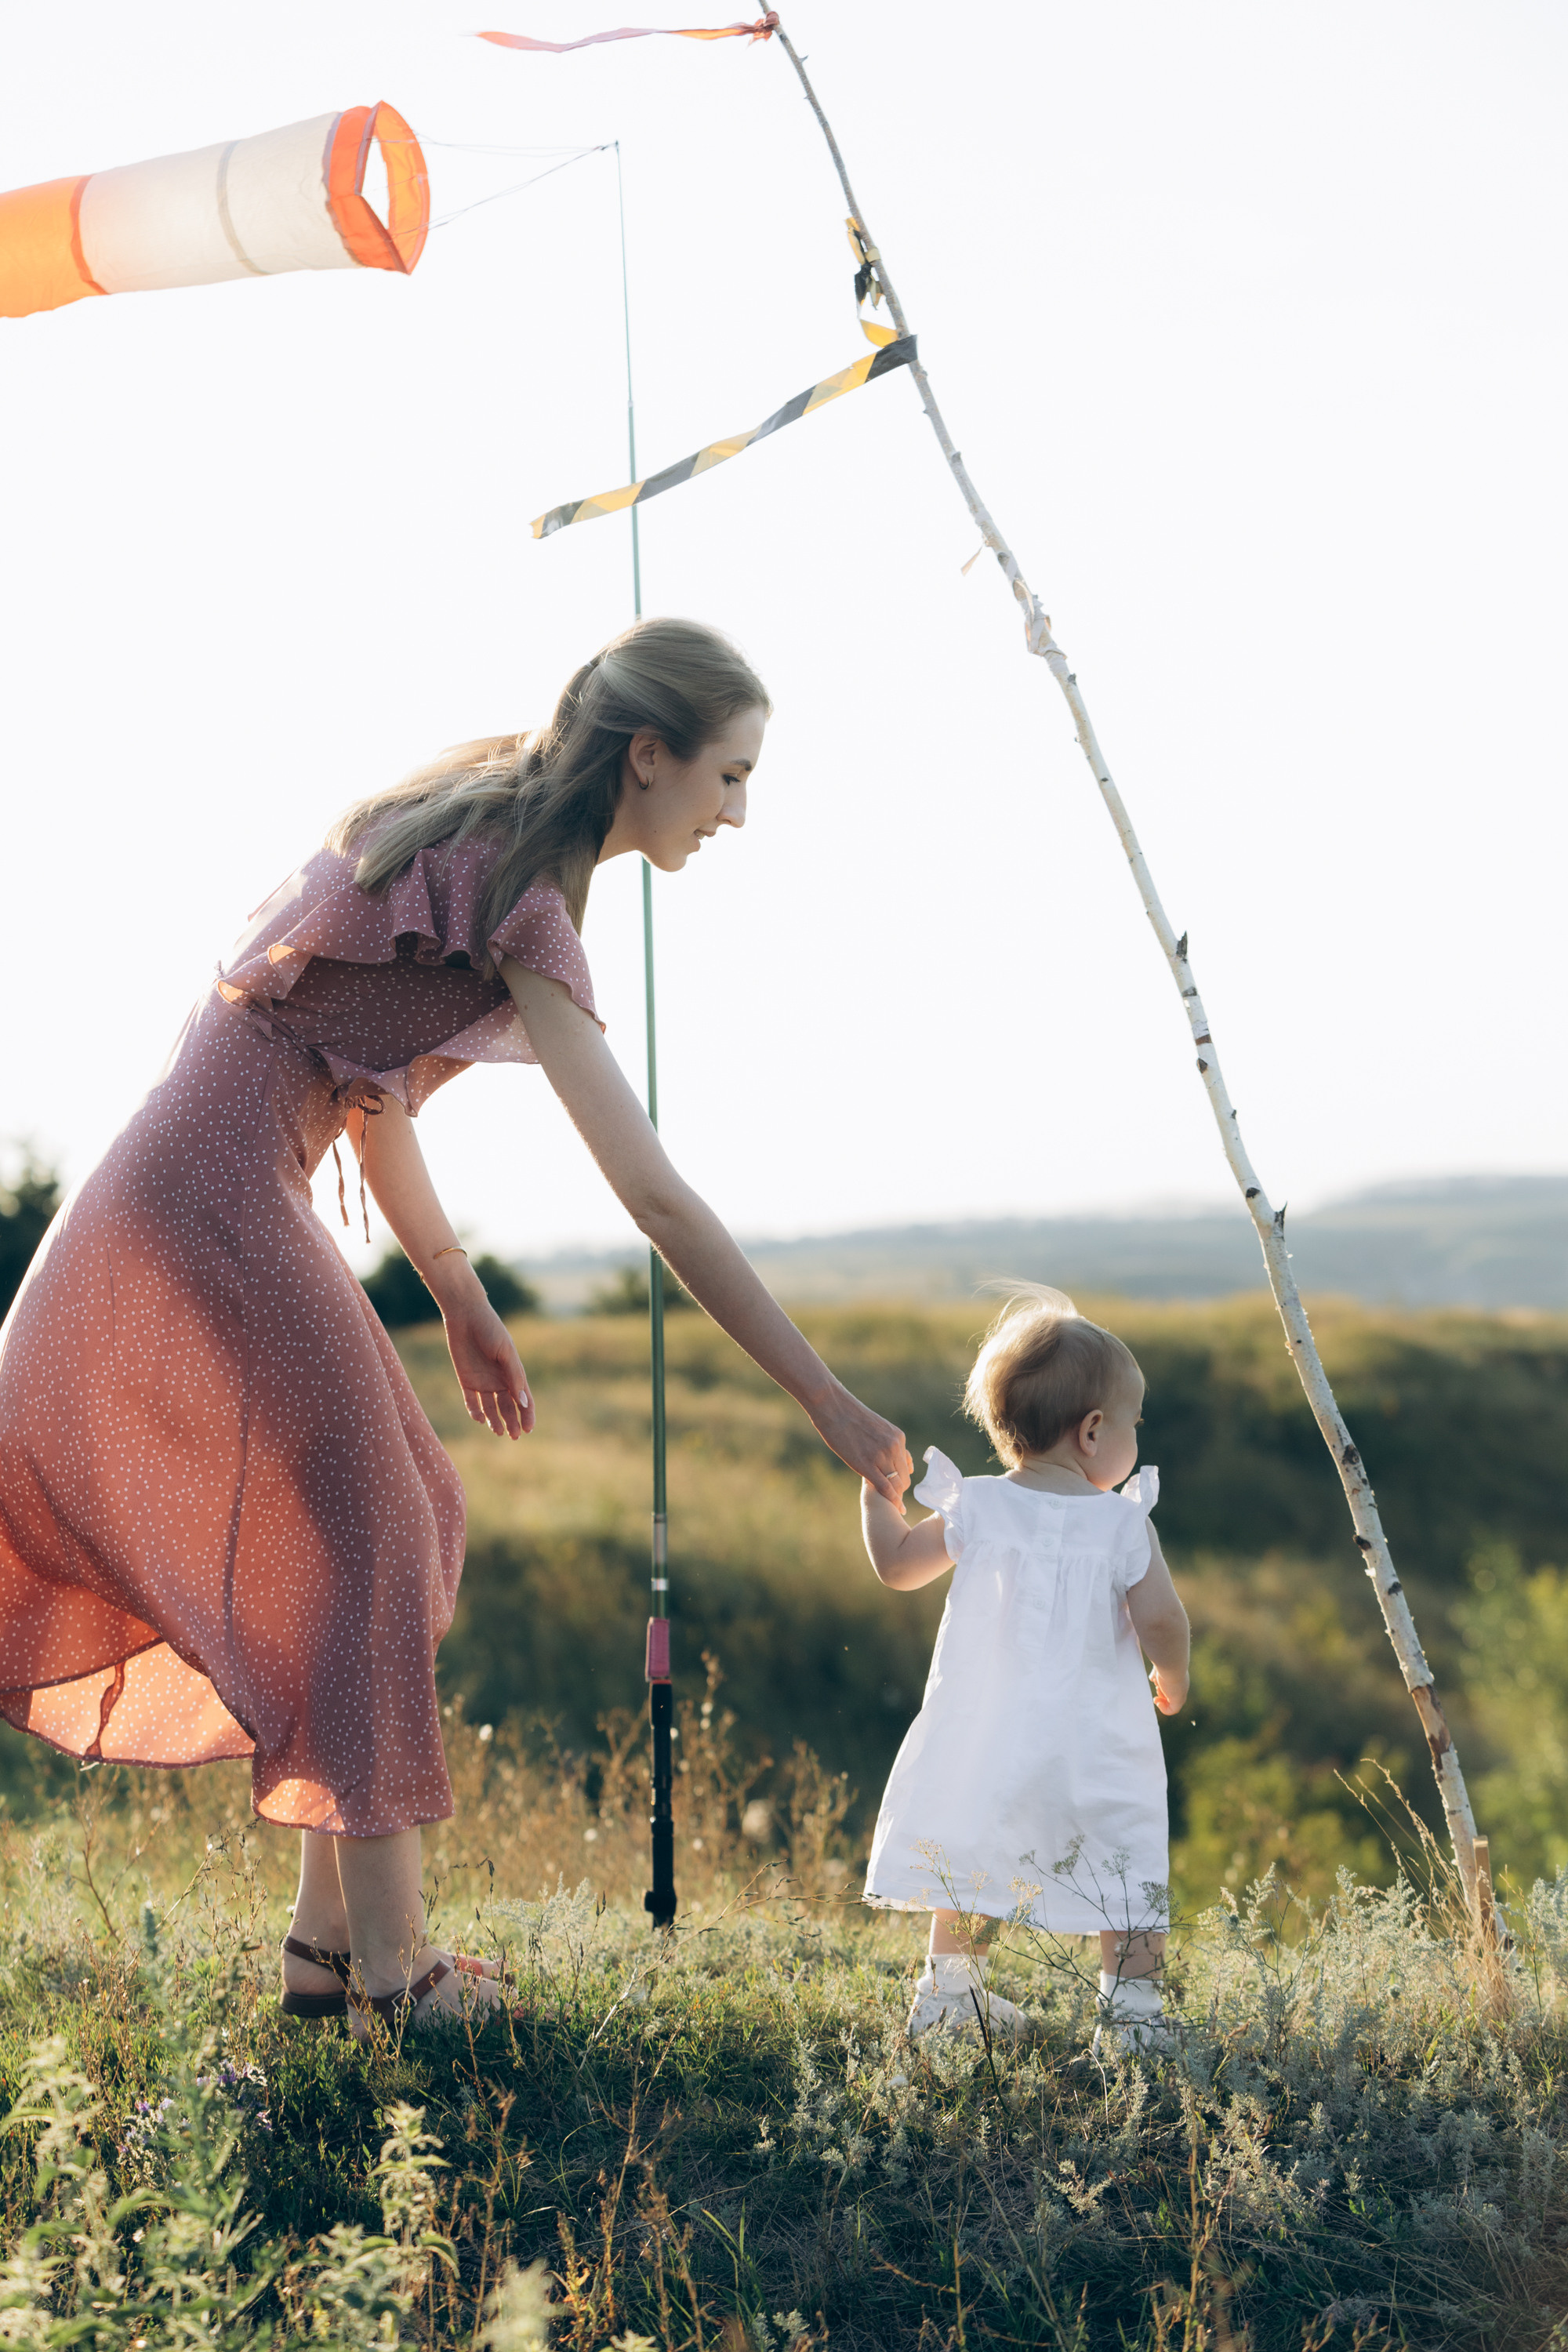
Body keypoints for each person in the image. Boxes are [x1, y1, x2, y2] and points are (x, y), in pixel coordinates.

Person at [0, 616, 912, 2034]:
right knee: (369, 1538)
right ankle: (398, 1980)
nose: (739, 813)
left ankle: (328, 1960)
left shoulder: (478, 817)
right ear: (648, 756)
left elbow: (360, 1082)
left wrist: (460, 1290)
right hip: (210, 1201)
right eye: (728, 777)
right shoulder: (531, 903)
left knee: (400, 1513)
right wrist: (830, 1406)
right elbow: (657, 1200)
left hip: (195, 1184)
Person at [858, 1286, 1189, 2051]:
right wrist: (1171, 1678)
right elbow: (1162, 1619)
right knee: (1127, 1856)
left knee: (977, 1851)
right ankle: (1132, 2021)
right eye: (1132, 1424)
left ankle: (949, 2002)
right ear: (1093, 1430)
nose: (1134, 1439)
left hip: (990, 1733)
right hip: (1095, 1741)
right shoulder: (1117, 1521)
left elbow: (897, 1566)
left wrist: (878, 1494)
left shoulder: (974, 1506)